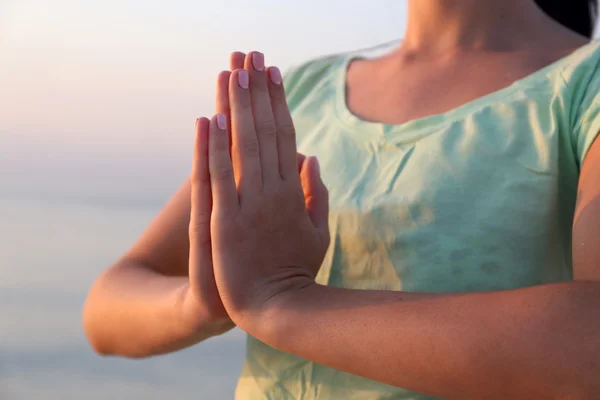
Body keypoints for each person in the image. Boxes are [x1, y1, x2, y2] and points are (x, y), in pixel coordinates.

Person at [83, 0, 600, 398]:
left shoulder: (583, 82)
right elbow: (109, 303)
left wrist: (284, 303)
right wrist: (202, 302)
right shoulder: (304, 90)